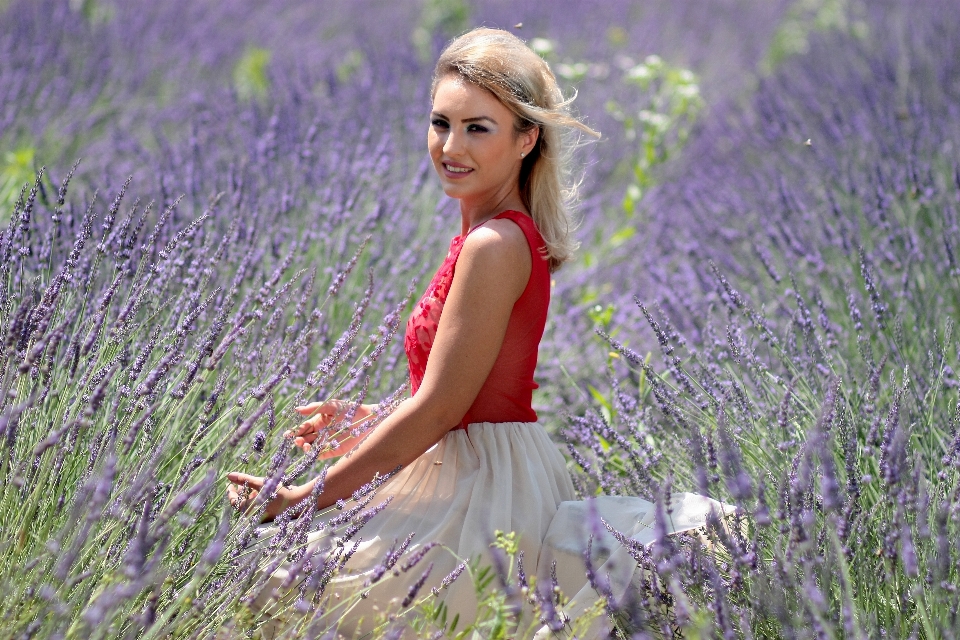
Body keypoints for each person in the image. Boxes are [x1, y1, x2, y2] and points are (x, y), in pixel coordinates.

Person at [227, 27, 725, 638]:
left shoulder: (493, 244)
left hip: (484, 496)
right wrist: (370, 417)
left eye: (477, 128)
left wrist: (304, 499)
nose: (450, 145)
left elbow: (441, 409)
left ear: (526, 140)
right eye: (441, 123)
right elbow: (465, 393)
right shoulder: (489, 234)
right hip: (477, 468)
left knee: (277, 585)